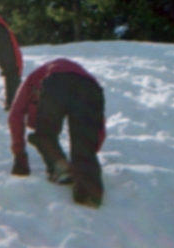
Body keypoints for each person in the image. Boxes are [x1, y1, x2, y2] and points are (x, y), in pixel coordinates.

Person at [7, 58, 106, 208]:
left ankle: (61, 167)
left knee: (43, 135)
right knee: (83, 144)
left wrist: (19, 153)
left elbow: (15, 114)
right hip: (91, 89)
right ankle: (89, 196)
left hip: (57, 83)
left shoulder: (33, 80)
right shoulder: (79, 74)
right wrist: (89, 151)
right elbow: (98, 126)